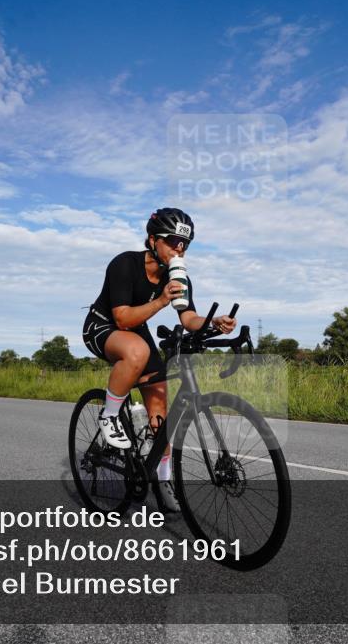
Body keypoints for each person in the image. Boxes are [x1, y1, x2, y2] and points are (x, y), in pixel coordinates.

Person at [81, 208, 236, 512]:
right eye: (174, 240)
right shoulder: (125, 263)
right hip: (103, 325)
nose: (180, 248)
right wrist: (162, 299)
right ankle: (109, 415)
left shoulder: (176, 275)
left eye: (186, 244)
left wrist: (213, 321)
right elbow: (122, 317)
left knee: (159, 405)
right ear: (153, 239)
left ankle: (163, 479)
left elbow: (188, 316)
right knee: (136, 351)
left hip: (136, 330)